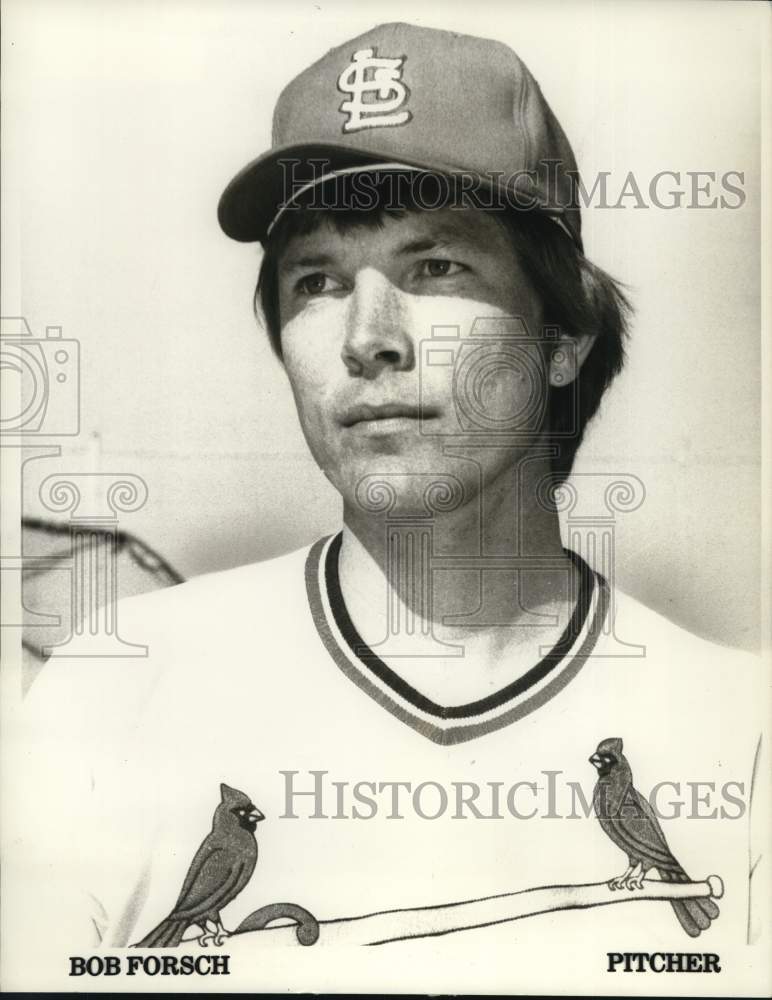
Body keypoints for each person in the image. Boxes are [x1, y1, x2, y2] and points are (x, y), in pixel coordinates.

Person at [5, 21, 765, 993]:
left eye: (434, 267)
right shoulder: (109, 694)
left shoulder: (740, 737)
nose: (369, 338)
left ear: (563, 332)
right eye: (315, 281)